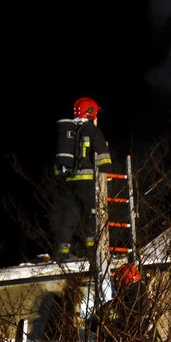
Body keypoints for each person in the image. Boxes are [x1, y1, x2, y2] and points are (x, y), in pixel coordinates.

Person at [53, 97, 113, 261]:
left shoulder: (69, 131)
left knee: (69, 216)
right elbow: (102, 156)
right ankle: (92, 253)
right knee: (92, 215)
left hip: (69, 181)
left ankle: (63, 253)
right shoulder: (92, 130)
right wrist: (106, 178)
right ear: (91, 113)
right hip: (87, 180)